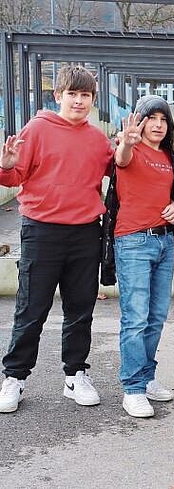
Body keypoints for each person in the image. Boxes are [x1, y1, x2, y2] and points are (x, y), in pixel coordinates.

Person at [0, 65, 113, 413]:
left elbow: (123, 169)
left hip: (84, 232)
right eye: (72, 94)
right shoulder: (37, 129)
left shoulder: (98, 139)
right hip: (42, 230)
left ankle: (75, 374)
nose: (78, 101)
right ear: (58, 96)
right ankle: (15, 377)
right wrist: (6, 165)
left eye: (85, 95)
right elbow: (14, 176)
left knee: (81, 309)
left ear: (93, 100)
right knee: (31, 308)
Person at [106, 95, 174, 418]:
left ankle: (147, 376)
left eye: (162, 119)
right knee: (136, 318)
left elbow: (172, 195)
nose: (157, 124)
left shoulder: (168, 157)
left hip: (164, 242)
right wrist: (126, 142)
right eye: (150, 118)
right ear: (139, 121)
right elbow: (121, 159)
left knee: (155, 318)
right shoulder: (130, 149)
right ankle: (133, 389)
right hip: (133, 242)